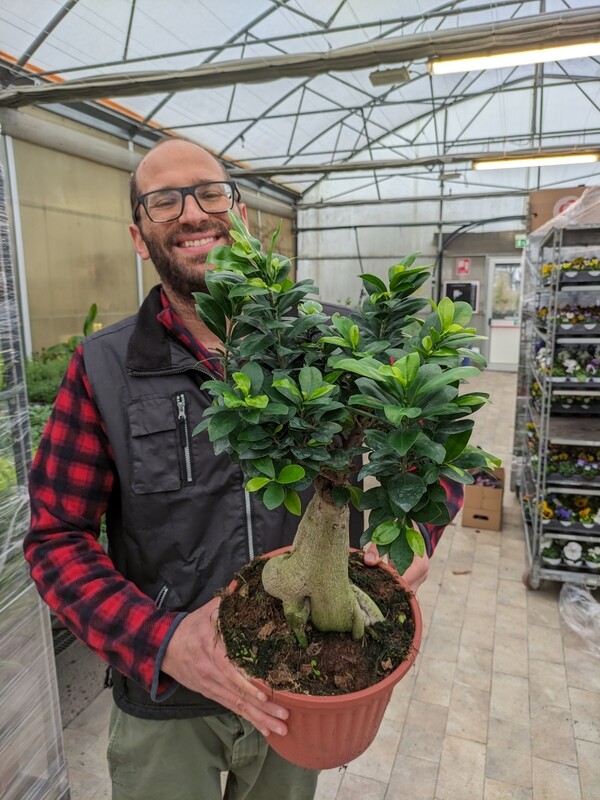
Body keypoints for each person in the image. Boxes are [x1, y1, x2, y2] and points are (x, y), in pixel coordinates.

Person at [25, 139, 461, 800]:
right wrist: (161, 640)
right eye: (164, 201)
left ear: (241, 213)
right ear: (139, 236)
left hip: (308, 672)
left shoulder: (335, 341)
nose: (193, 213)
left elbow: (440, 454)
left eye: (210, 192)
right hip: (168, 699)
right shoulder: (104, 369)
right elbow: (56, 539)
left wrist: (412, 539)